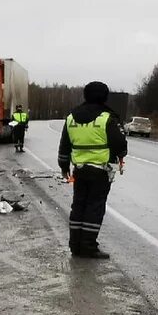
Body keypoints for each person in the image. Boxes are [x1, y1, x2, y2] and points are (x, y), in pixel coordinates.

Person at [58, 81, 127, 259]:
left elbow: (64, 145)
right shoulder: (106, 118)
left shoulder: (71, 118)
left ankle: (75, 245)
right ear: (104, 96)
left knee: (78, 206)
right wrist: (121, 154)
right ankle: (88, 246)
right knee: (94, 207)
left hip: (79, 170)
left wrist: (64, 166)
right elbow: (119, 143)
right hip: (100, 171)